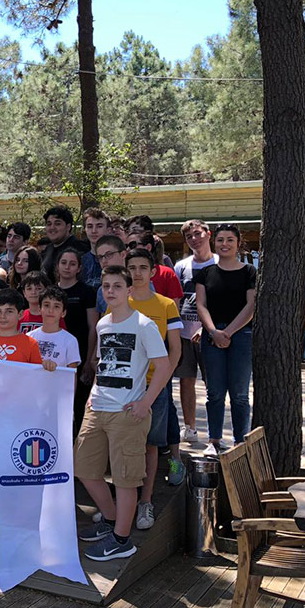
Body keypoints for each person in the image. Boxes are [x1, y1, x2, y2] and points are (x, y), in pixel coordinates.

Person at [76, 265, 168, 562]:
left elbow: (164, 366)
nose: (111, 291)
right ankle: (111, 519)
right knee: (85, 470)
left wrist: (145, 402)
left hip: (127, 412)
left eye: (117, 286)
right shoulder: (103, 324)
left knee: (125, 479)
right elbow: (103, 364)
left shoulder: (144, 325)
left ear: (129, 290)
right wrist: (92, 396)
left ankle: (121, 539)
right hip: (98, 407)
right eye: (106, 286)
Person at [0, 289, 51, 567]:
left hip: (17, 417)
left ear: (20, 314)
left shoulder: (29, 344)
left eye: (9, 311)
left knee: (16, 475)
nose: (3, 317)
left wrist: (49, 368)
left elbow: (39, 382)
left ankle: (21, 535)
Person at [122, 247, 184, 529]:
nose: (137, 273)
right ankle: (124, 500)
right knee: (124, 443)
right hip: (124, 386)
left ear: (153, 271)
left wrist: (161, 382)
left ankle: (145, 501)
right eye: (132, 268)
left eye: (142, 268)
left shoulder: (166, 305)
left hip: (154, 385)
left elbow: (175, 349)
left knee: (151, 444)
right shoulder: (118, 301)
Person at [195, 223, 256, 454]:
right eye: (220, 240)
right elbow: (201, 305)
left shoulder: (249, 272)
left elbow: (251, 306)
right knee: (215, 392)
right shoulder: (205, 273)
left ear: (238, 243)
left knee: (239, 394)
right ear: (214, 242)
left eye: (230, 239)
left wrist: (228, 332)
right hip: (212, 336)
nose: (225, 244)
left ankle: (240, 443)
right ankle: (214, 441)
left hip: (241, 335)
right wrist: (213, 332)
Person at [173, 219, 216, 442]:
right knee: (186, 380)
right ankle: (190, 428)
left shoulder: (219, 263)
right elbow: (175, 299)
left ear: (208, 234)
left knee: (214, 384)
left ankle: (215, 432)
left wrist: (208, 328)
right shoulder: (181, 266)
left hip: (210, 334)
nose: (194, 239)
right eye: (189, 236)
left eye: (198, 234)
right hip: (183, 334)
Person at [55, 248, 99, 430]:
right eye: (64, 263)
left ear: (79, 268)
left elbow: (93, 327)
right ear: (57, 265)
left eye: (72, 264)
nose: (67, 267)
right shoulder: (50, 291)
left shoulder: (87, 292)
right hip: (55, 357)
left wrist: (89, 361)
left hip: (79, 355)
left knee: (79, 404)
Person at [28, 287, 81, 368]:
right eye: (47, 305)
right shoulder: (29, 337)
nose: (51, 310)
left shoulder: (70, 340)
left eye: (56, 306)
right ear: (39, 309)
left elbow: (72, 373)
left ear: (63, 313)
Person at [39, 204, 90, 286]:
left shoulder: (80, 249)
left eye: (57, 224)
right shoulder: (48, 249)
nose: (52, 227)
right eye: (49, 224)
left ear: (68, 227)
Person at [80, 207, 111, 290]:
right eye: (90, 226)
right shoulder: (81, 261)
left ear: (108, 230)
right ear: (85, 229)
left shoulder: (116, 259)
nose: (94, 231)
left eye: (99, 226)